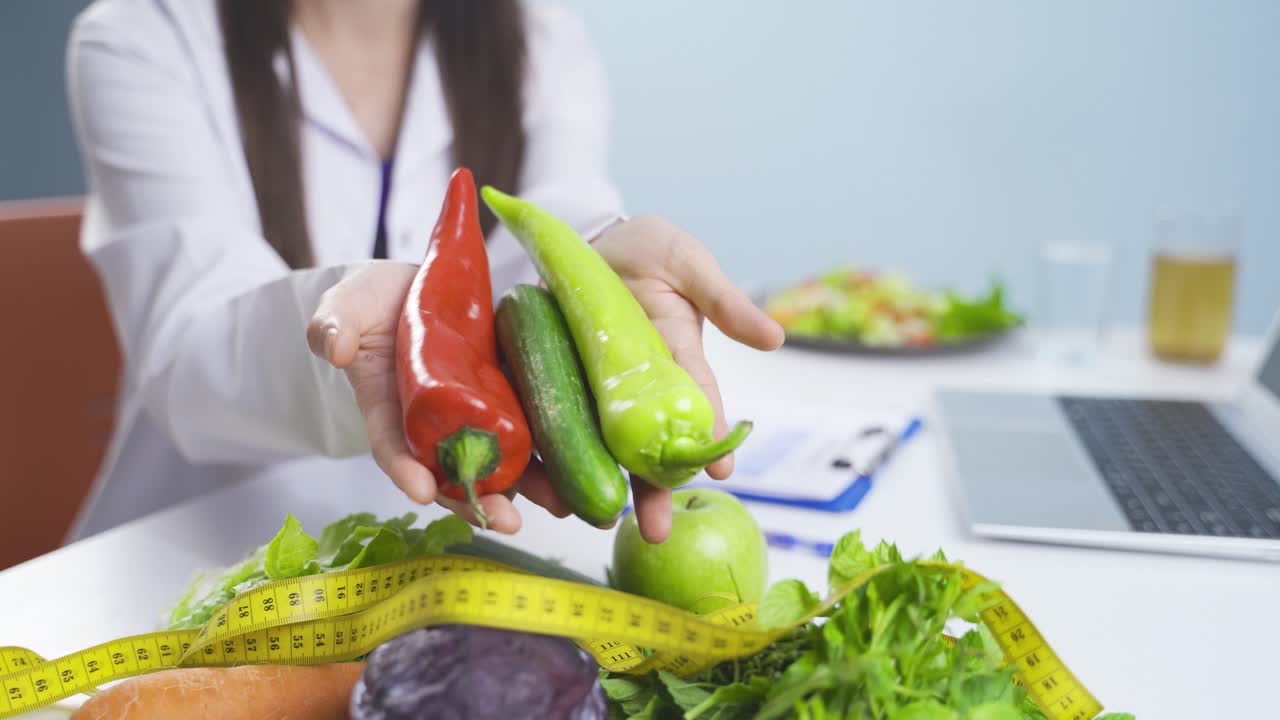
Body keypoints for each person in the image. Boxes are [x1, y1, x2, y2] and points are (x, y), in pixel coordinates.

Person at [66, 0, 783, 544]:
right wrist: (383, 337)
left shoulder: (537, 29)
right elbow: (190, 357)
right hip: (189, 556)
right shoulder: (143, 35)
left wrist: (601, 252)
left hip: (451, 549)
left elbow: (557, 211)